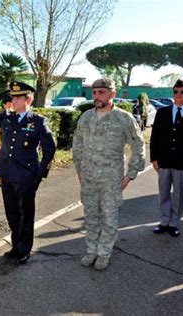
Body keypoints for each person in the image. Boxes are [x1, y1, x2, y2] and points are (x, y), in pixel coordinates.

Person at [0, 82, 56, 264]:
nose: (12, 100)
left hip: (26, 176)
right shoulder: (7, 117)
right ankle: (15, 246)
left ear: (27, 99)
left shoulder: (38, 121)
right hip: (6, 173)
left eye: (17, 97)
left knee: (25, 214)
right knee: (12, 213)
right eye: (11, 97)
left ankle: (24, 250)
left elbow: (50, 149)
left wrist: (40, 173)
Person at [72, 78, 145, 271]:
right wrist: (78, 169)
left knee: (109, 218)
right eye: (94, 92)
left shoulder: (123, 118)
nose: (96, 96)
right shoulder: (86, 117)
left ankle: (104, 253)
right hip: (88, 177)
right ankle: (91, 250)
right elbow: (77, 144)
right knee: (90, 216)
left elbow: (138, 146)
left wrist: (130, 174)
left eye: (101, 92)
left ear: (112, 94)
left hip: (111, 179)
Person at [150, 78, 183, 237]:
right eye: (176, 91)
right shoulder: (162, 112)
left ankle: (174, 223)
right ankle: (164, 222)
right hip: (164, 161)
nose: (179, 94)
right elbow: (155, 136)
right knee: (163, 192)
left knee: (178, 194)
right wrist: (154, 159)